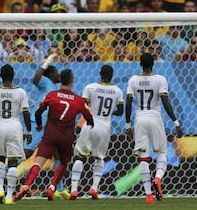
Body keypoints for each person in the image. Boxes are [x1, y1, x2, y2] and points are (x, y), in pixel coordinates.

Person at [13, 69, 94, 202]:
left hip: (50, 134)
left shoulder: (51, 94)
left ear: (61, 80)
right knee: (63, 162)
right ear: (72, 81)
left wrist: (39, 124)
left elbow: (39, 112)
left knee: (38, 161)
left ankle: (26, 185)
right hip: (66, 137)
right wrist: (91, 124)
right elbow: (88, 117)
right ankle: (52, 188)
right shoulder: (78, 99)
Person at [125, 53, 183, 204]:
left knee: (143, 157)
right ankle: (157, 178)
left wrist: (127, 125)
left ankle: (149, 195)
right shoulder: (160, 79)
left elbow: (129, 103)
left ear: (140, 64)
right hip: (155, 117)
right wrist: (176, 123)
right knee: (162, 153)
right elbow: (165, 101)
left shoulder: (133, 80)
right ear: (153, 64)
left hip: (140, 119)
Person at [69, 65, 124, 200]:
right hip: (105, 128)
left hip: (89, 124)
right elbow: (121, 111)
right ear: (112, 75)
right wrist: (111, 110)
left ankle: (74, 189)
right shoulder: (117, 91)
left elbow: (82, 106)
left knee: (80, 157)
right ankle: (94, 188)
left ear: (100, 73)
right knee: (99, 159)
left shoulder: (90, 87)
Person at [23, 54, 69, 199]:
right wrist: (47, 62)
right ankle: (3, 172)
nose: (58, 75)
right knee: (27, 153)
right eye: (56, 73)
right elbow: (35, 79)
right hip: (39, 123)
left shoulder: (54, 87)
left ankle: (59, 188)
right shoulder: (45, 82)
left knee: (58, 156)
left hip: (50, 125)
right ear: (49, 75)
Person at [0, 64, 32, 204]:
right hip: (14, 126)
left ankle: (0, 190)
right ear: (13, 76)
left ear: (0, 75)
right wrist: (29, 131)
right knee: (13, 161)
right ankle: (9, 197)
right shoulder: (21, 92)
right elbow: (26, 113)